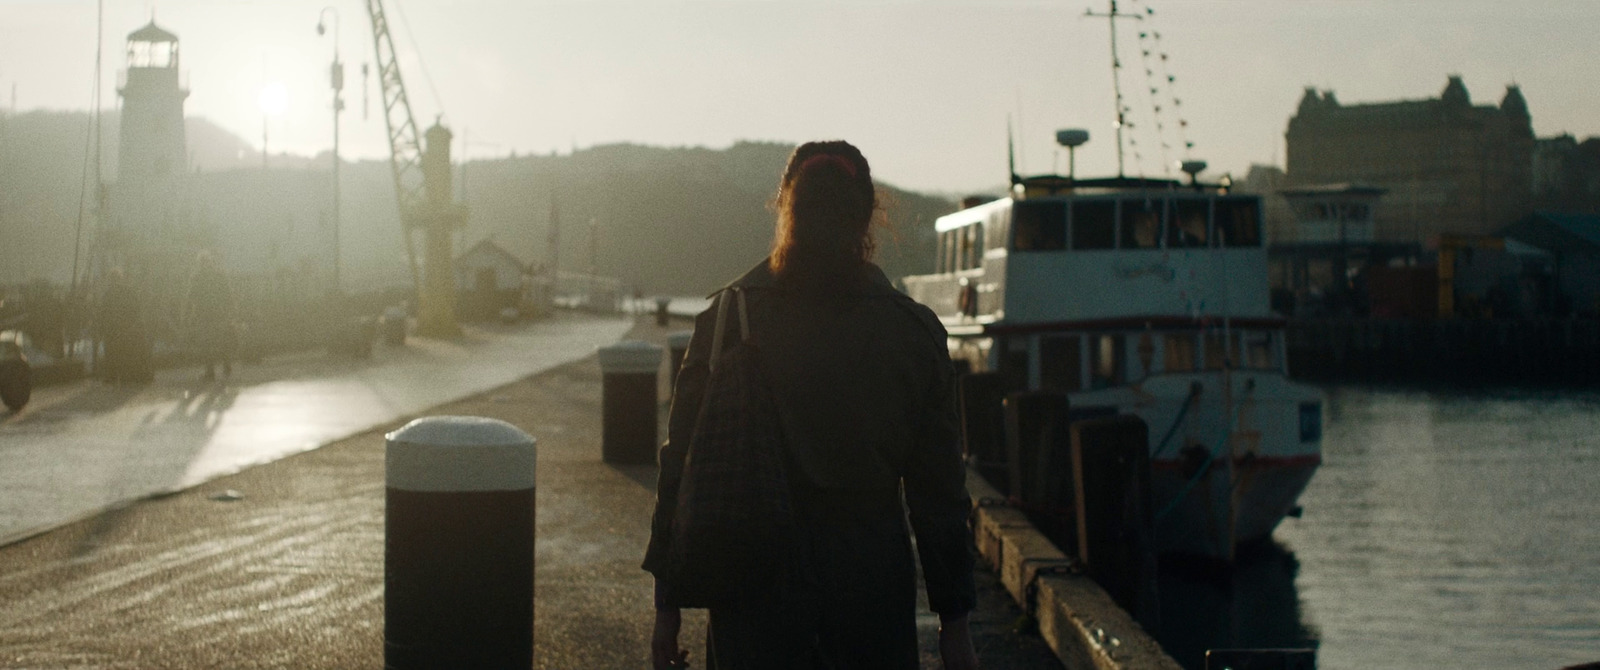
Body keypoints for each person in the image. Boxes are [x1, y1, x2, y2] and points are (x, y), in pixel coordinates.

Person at [643, 141, 978, 670]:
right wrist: (955, 629)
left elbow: (680, 470)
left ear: (784, 206)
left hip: (754, 600)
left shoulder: (726, 322)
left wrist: (668, 611)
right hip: (870, 600)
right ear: (866, 217)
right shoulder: (913, 334)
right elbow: (939, 498)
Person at [185, 251, 235, 382]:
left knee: (206, 342)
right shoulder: (220, 276)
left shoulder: (197, 277)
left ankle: (210, 370)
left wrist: (188, 315)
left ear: (200, 264)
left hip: (203, 314)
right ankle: (226, 364)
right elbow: (228, 294)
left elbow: (191, 297)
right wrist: (230, 311)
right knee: (222, 339)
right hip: (219, 313)